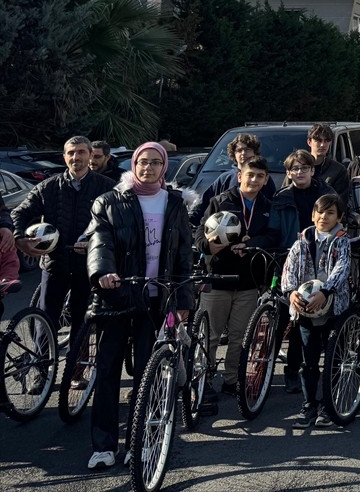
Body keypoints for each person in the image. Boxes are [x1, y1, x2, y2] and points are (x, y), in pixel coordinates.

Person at [86, 142, 194, 470]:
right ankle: (103, 446)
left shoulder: (174, 203)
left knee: (149, 375)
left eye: (155, 163)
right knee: (107, 372)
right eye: (143, 162)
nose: (148, 168)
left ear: (165, 167)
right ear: (133, 164)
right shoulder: (109, 201)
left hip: (157, 299)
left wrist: (183, 300)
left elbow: (184, 255)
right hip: (117, 297)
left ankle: (140, 441)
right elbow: (99, 241)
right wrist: (103, 272)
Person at [194, 155, 279, 405]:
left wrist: (251, 243)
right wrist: (208, 247)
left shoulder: (267, 205)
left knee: (241, 336)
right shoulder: (221, 200)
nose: (254, 180)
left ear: (265, 181)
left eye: (260, 176)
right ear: (240, 176)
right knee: (209, 334)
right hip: (218, 277)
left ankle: (232, 379)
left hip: (249, 281)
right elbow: (201, 229)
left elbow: (273, 234)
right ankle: (203, 379)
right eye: (249, 175)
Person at [13, 135, 114, 342]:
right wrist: (19, 238)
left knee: (82, 321)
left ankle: (74, 369)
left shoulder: (107, 188)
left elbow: (118, 224)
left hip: (87, 267)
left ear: (89, 155)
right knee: (45, 321)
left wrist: (97, 245)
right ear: (64, 157)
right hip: (54, 264)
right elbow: (19, 213)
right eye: (71, 152)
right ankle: (41, 370)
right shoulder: (48, 187)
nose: (76, 157)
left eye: (81, 152)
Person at [282, 193, 353, 429]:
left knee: (333, 357)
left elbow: (343, 267)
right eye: (320, 212)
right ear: (313, 215)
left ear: (339, 217)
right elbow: (289, 269)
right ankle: (309, 403)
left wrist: (327, 291)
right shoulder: (301, 241)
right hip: (305, 309)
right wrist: (291, 292)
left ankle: (327, 405)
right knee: (308, 361)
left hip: (333, 307)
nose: (324, 217)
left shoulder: (341, 240)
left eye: (330, 213)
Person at [269, 148, 335, 393]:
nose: (300, 172)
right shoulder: (282, 196)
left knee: (314, 320)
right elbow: (274, 230)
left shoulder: (327, 193)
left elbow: (338, 220)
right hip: (290, 261)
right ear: (288, 172)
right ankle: (284, 371)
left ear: (312, 170)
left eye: (304, 168)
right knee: (289, 319)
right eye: (295, 169)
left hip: (322, 262)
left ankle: (313, 372)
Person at [194, 132, 279, 225]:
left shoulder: (263, 179)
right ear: (234, 154)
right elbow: (204, 205)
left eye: (247, 149)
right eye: (239, 150)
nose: (243, 153)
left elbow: (272, 208)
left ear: (255, 152)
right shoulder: (224, 178)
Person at [307, 123, 352, 206]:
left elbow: (341, 203)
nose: (322, 145)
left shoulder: (338, 170)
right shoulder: (298, 167)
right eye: (318, 140)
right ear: (309, 142)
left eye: (326, 141)